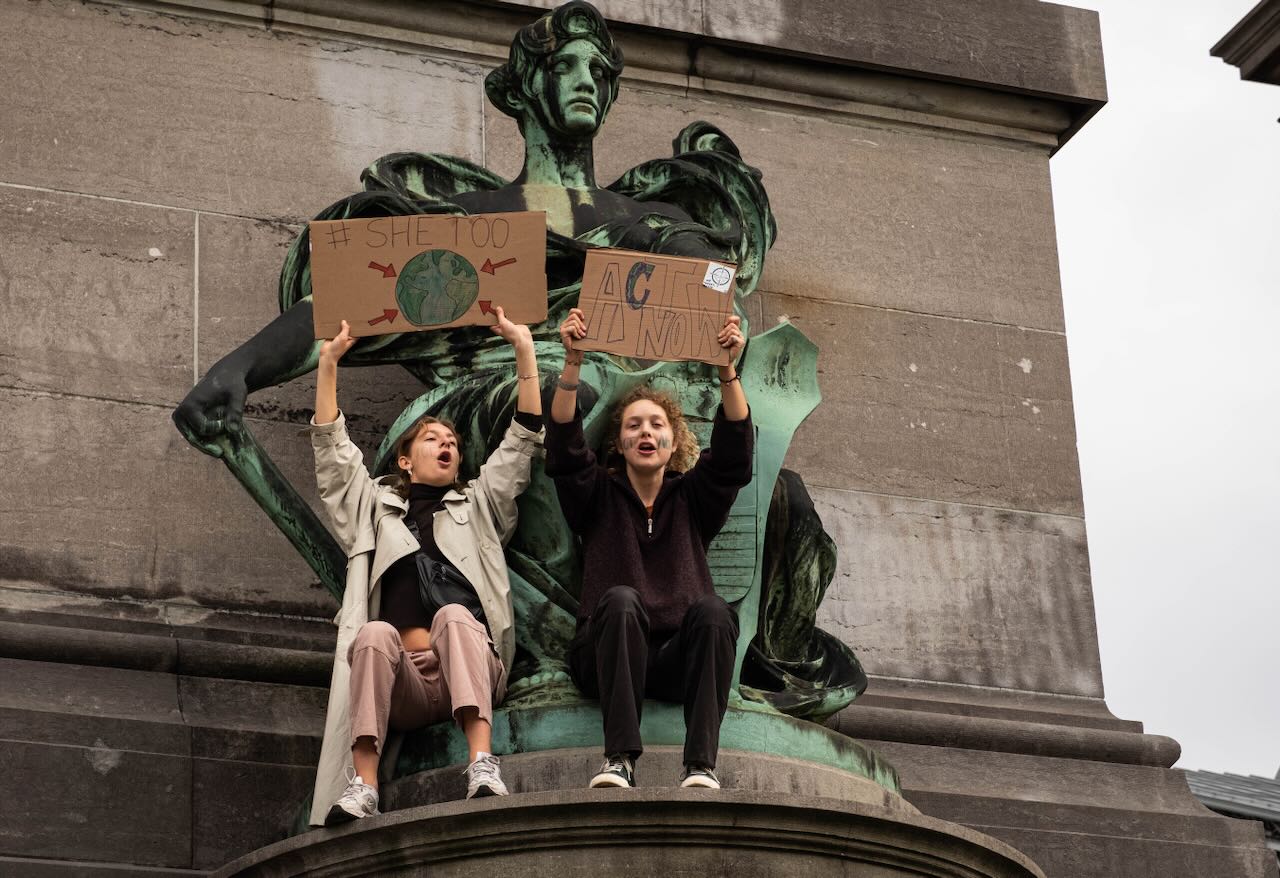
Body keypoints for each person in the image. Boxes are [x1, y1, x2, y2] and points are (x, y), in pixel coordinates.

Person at [307, 307, 544, 826]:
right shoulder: (372, 509)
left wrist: (525, 352)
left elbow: (521, 442)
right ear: (405, 460)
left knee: (456, 617)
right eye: (434, 438)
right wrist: (328, 366)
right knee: (370, 633)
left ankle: (482, 763)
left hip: (470, 667)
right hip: (402, 685)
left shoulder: (478, 506)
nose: (448, 445)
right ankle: (363, 785)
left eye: (455, 444)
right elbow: (334, 455)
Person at [545, 306, 751, 790]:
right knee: (618, 600)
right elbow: (564, 447)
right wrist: (572, 362)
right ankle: (618, 760)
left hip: (680, 660)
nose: (646, 433)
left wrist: (727, 370)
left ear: (673, 439)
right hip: (608, 656)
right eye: (634, 425)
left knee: (716, 612)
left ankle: (700, 765)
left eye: (657, 425)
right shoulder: (597, 495)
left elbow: (734, 456)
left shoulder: (693, 498)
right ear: (618, 442)